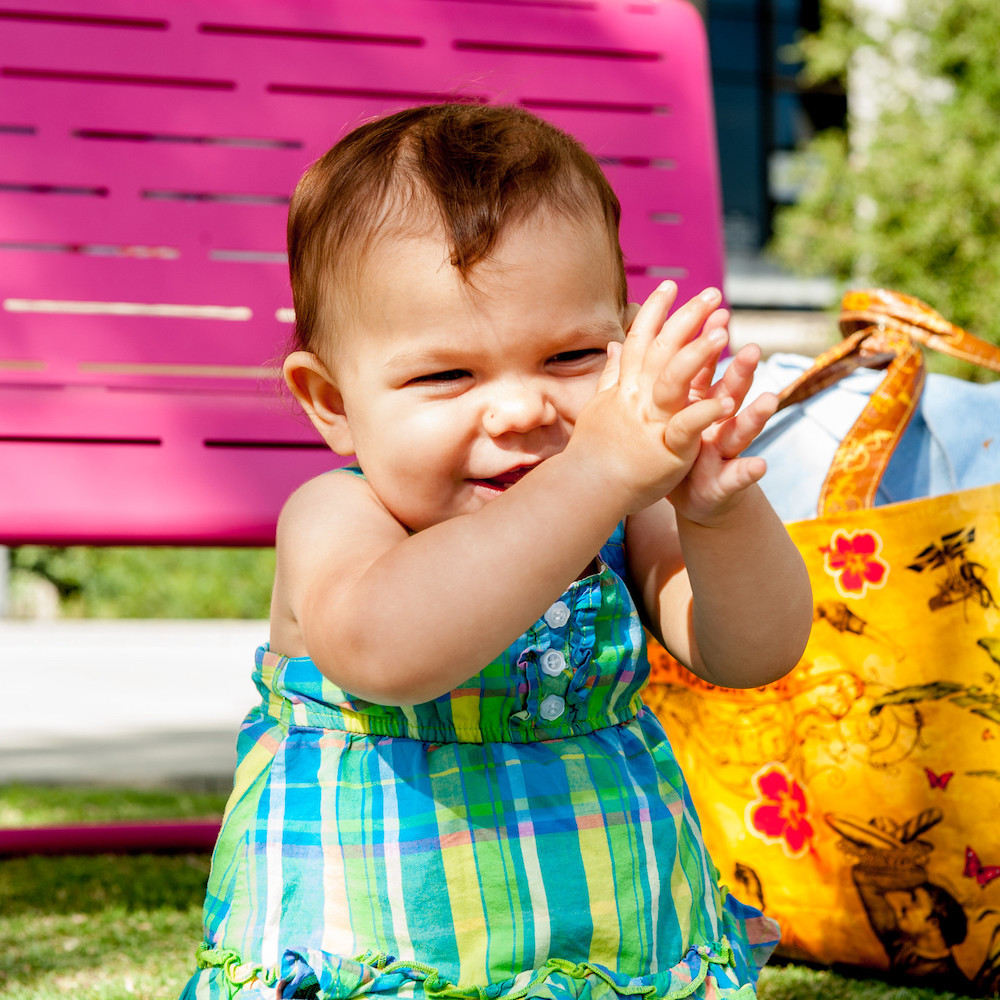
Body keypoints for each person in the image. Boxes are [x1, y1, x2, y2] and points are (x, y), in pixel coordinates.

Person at [181, 102, 812, 1000]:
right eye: (447, 374)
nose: (521, 412)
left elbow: (757, 651)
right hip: (379, 944)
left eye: (570, 357)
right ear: (330, 401)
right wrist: (594, 472)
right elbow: (390, 654)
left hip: (608, 933)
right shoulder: (338, 516)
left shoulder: (626, 517)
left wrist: (716, 515)